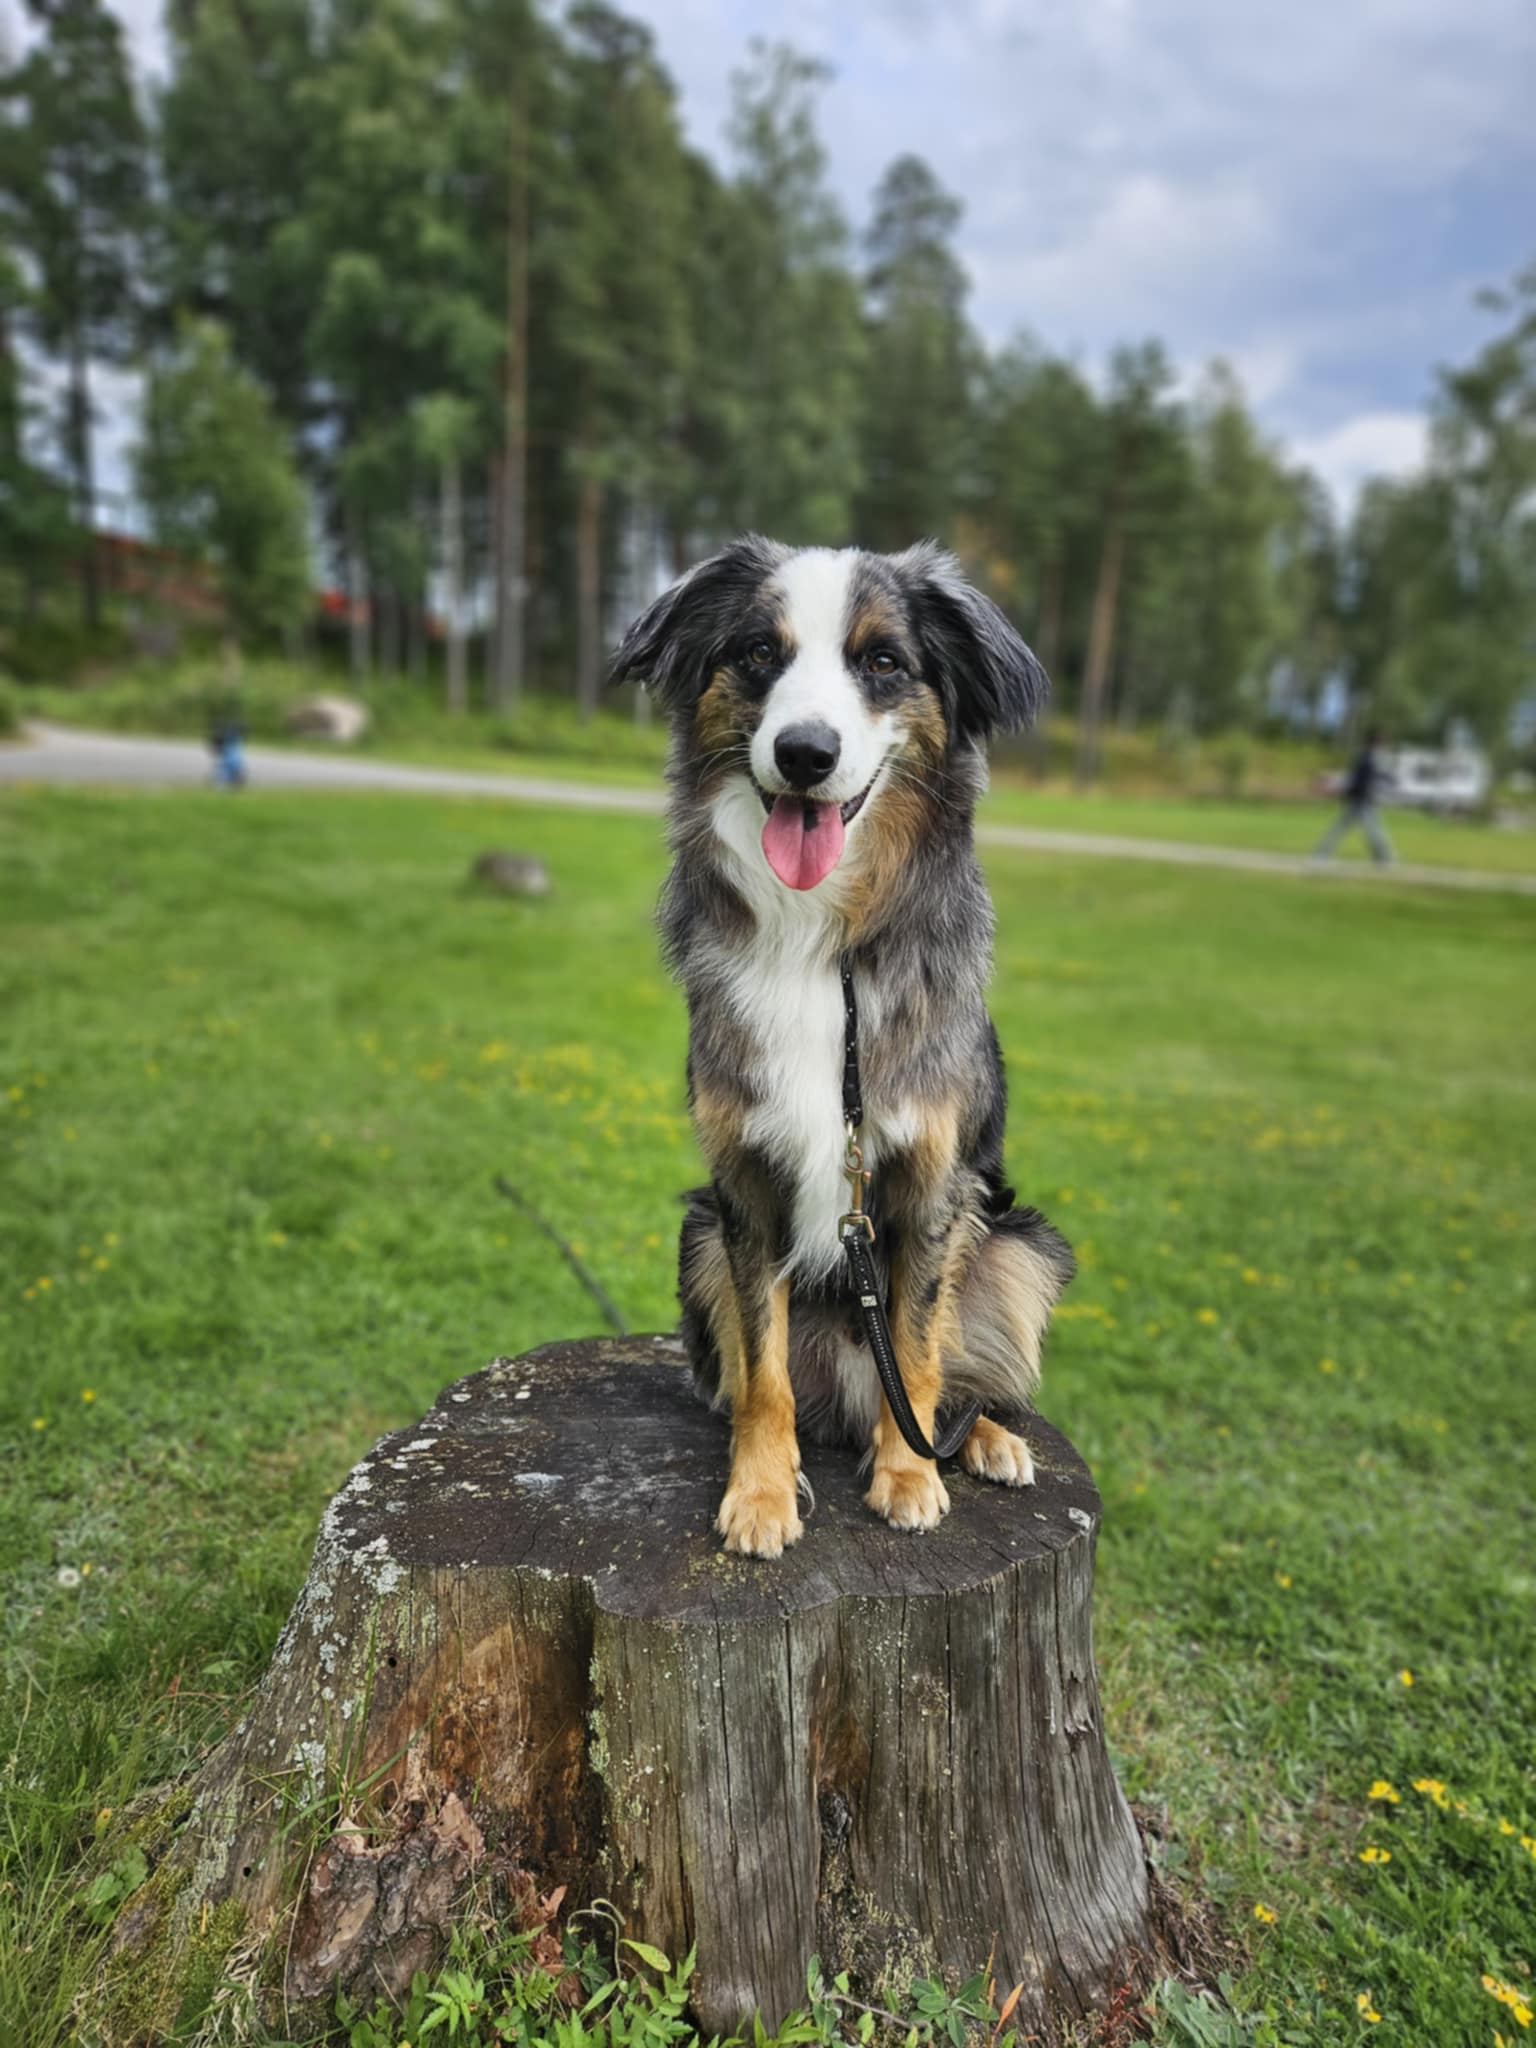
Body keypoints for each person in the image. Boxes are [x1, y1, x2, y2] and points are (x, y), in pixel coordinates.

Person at [1314, 727, 1393, 863]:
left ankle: (1384, 858)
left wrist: (1388, 779)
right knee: (1369, 831)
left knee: (1365, 830)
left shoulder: (1370, 757)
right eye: (1381, 741)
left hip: (1363, 800)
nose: (1383, 744)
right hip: (1361, 799)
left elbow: (1373, 776)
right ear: (1376, 742)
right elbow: (1359, 778)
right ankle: (1384, 858)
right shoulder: (1367, 757)